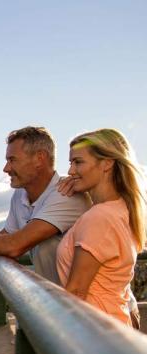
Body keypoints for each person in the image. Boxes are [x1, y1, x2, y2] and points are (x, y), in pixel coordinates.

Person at [0, 126, 89, 283]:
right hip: (56, 299)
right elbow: (7, 235)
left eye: (12, 160)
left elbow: (15, 244)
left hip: (81, 304)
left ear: (39, 158)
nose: (6, 168)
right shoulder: (20, 194)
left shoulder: (66, 194)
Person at [54, 128, 145, 326]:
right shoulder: (119, 209)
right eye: (71, 163)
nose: (70, 171)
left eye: (78, 162)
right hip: (113, 326)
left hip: (94, 330)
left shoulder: (99, 218)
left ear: (107, 163)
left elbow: (76, 291)